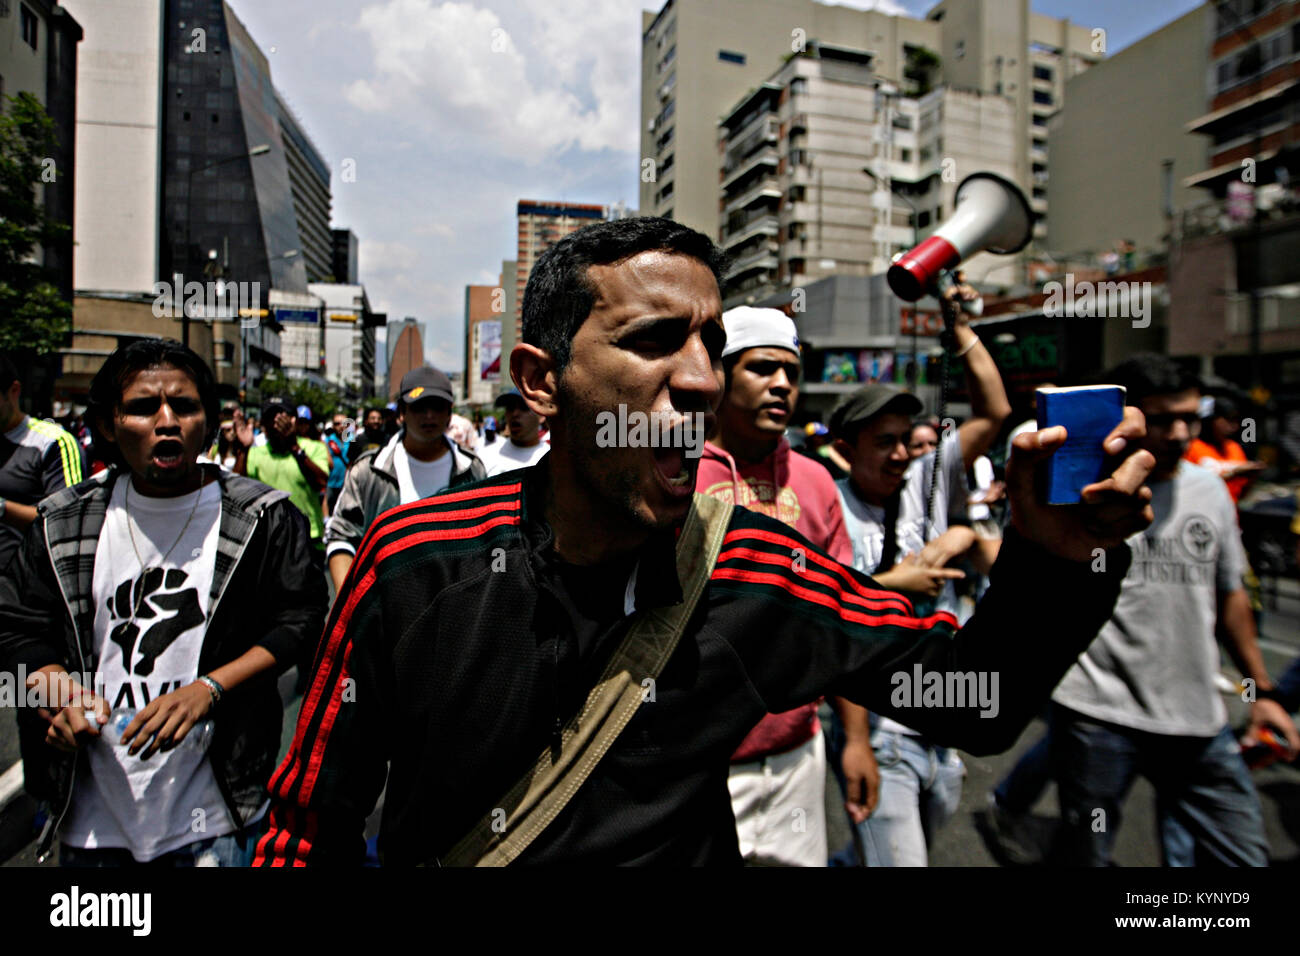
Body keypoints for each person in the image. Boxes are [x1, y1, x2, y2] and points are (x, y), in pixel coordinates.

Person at [254, 216, 1153, 867]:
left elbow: (978, 700)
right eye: (652, 341)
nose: (698, 380)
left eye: (711, 347)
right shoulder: (415, 560)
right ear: (539, 384)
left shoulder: (755, 570)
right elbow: (304, 831)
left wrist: (1060, 560)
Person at [0, 339, 325, 866]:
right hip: (92, 822)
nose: (167, 420)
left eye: (186, 406)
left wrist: (210, 689)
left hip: (218, 813)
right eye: (144, 407)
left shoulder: (263, 519)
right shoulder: (63, 523)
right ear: (108, 426)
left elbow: (302, 619)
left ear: (207, 421)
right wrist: (55, 690)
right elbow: (19, 627)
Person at [1045, 354, 1298, 866]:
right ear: (1131, 418)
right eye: (1162, 419)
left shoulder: (1210, 491)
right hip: (1098, 713)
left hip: (1198, 720)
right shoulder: (1084, 490)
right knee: (1086, 851)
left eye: (1191, 418)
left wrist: (1260, 691)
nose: (1180, 433)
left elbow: (1230, 597)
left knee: (1242, 856)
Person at [828, 283, 1012, 867]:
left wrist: (959, 331)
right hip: (880, 731)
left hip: (942, 721)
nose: (901, 455)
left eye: (906, 441)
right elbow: (820, 617)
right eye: (883, 443)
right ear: (844, 448)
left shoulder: (929, 482)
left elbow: (995, 412)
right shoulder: (828, 507)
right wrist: (892, 587)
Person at [695, 306, 858, 866]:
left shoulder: (815, 481)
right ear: (719, 375)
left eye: (792, 371)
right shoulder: (676, 473)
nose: (783, 384)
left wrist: (855, 739)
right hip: (698, 760)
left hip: (796, 754)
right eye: (763, 368)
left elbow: (842, 622)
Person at [324, 367, 485, 594]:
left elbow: (485, 545)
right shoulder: (368, 471)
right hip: (384, 614)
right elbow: (341, 537)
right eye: (419, 406)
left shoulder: (472, 470)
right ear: (402, 412)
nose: (429, 415)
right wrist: (352, 606)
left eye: (438, 406)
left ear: (450, 413)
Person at [0, 353, 87, 573]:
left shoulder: (53, 442)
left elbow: (69, 521)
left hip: (25, 590)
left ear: (14, 391)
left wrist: (3, 509)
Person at [234, 399, 331, 559]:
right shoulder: (255, 454)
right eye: (271, 418)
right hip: (267, 540)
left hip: (308, 538)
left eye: (281, 417)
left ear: (293, 420)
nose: (276, 423)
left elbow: (321, 482)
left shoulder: (314, 448)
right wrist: (243, 450)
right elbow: (237, 490)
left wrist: (294, 447)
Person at [1184, 396, 1263, 505]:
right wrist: (1233, 473)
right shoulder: (1191, 448)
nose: (1234, 427)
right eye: (1228, 420)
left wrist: (1252, 477)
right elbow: (1189, 487)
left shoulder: (1234, 447)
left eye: (1236, 421)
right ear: (1211, 419)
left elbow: (1241, 494)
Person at [477, 389, 550, 476]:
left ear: (541, 415)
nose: (515, 414)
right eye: (510, 408)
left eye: (524, 407)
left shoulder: (555, 460)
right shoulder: (485, 456)